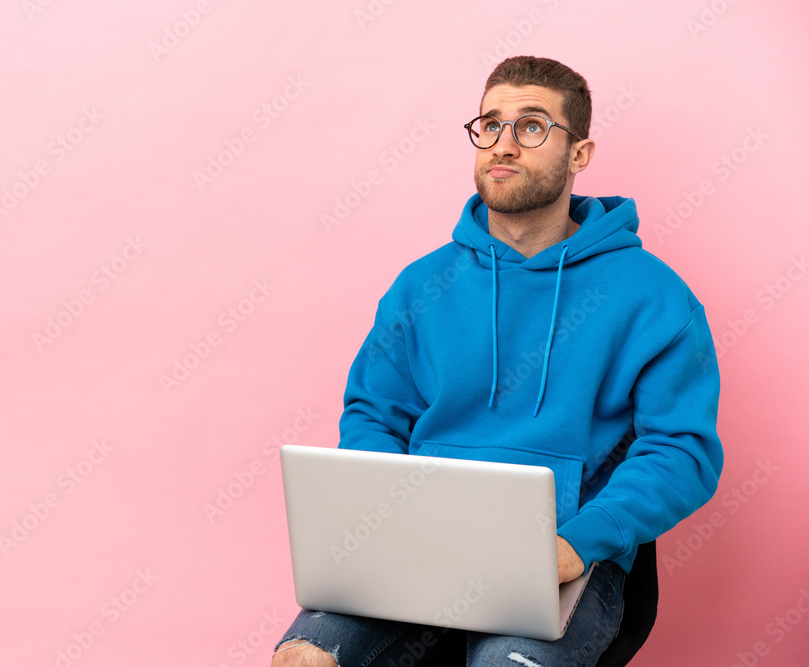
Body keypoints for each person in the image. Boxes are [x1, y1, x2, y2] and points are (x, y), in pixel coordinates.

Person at [271, 55, 723, 667]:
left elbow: (681, 450)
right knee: (304, 658)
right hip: (420, 545)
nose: (503, 144)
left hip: (563, 554)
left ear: (580, 154)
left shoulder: (655, 296)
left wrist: (581, 540)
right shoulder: (421, 285)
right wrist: (388, 522)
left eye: (532, 126)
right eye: (490, 125)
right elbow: (374, 415)